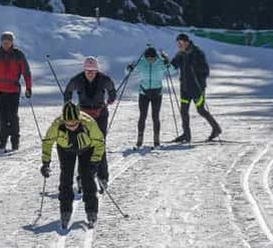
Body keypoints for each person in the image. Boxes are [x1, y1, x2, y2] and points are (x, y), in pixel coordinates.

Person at [40, 102, 105, 229]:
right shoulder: (57, 125)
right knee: (65, 178)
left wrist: (95, 161)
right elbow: (47, 142)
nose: (71, 127)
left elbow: (99, 143)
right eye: (68, 124)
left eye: (75, 123)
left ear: (79, 119)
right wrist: (45, 163)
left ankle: (91, 211)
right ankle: (65, 211)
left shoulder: (89, 123)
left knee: (87, 177)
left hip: (87, 149)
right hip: (65, 149)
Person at [63, 57, 115, 190]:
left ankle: (103, 177)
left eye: (93, 71)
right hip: (83, 116)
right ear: (84, 70)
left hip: (100, 115)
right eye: (87, 70)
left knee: (100, 143)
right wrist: (68, 102)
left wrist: (111, 98)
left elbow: (111, 89)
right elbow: (68, 90)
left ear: (97, 70)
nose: (90, 73)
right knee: (83, 145)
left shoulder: (103, 79)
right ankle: (82, 177)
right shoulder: (78, 79)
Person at [164, 34, 221, 143]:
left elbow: (205, 70)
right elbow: (173, 66)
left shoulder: (197, 53)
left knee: (201, 110)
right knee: (183, 111)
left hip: (197, 88)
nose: (178, 46)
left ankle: (216, 128)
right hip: (185, 87)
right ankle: (186, 135)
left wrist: (195, 67)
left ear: (186, 42)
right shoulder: (181, 54)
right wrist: (166, 62)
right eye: (178, 44)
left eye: (180, 43)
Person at [0, 31, 33, 151]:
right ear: (1, 42)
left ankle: (15, 143)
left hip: (13, 90)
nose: (5, 44)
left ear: (12, 42)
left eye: (8, 42)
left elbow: (26, 72)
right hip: (0, 90)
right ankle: (2, 143)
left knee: (13, 117)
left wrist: (28, 88)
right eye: (4, 42)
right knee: (2, 117)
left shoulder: (18, 54)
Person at [126, 46, 176, 148]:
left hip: (157, 94)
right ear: (145, 57)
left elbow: (172, 71)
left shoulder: (160, 63)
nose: (150, 60)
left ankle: (156, 139)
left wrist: (167, 62)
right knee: (142, 116)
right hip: (144, 93)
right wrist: (129, 68)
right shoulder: (141, 62)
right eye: (148, 58)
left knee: (155, 116)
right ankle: (139, 138)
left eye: (152, 58)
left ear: (155, 57)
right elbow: (128, 72)